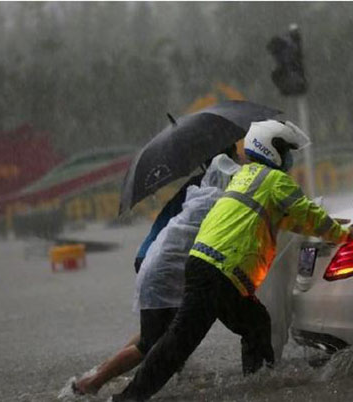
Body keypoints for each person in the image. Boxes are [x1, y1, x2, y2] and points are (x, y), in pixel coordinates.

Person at [112, 120, 353, 401]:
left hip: (212, 268)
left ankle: (257, 385)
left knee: (255, 324)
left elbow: (294, 219)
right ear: (270, 149)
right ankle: (128, 398)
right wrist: (344, 234)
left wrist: (332, 225)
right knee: (180, 341)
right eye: (286, 149)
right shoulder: (274, 180)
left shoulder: (247, 175)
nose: (290, 157)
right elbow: (305, 213)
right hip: (220, 272)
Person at [71, 149, 240, 395]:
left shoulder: (199, 185)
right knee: (151, 341)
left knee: (157, 331)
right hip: (163, 263)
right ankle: (95, 382)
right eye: (235, 152)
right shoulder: (212, 189)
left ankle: (102, 372)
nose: (239, 157)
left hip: (155, 256)